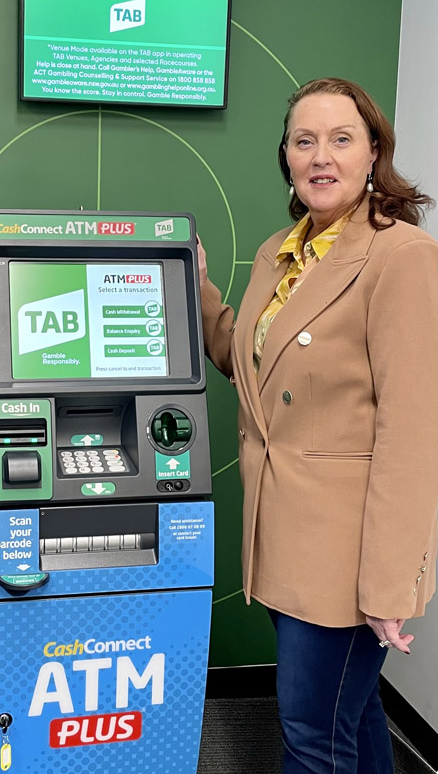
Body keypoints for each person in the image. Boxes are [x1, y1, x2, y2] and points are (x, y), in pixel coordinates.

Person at [199, 77, 438, 774]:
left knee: (311, 737)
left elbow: (412, 432)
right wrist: (196, 284)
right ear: (287, 157)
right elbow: (249, 365)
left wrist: (390, 584)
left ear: (373, 154)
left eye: (340, 139)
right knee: (350, 715)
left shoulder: (401, 257)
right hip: (281, 539)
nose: (320, 157)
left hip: (345, 556)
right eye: (304, 141)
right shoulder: (282, 249)